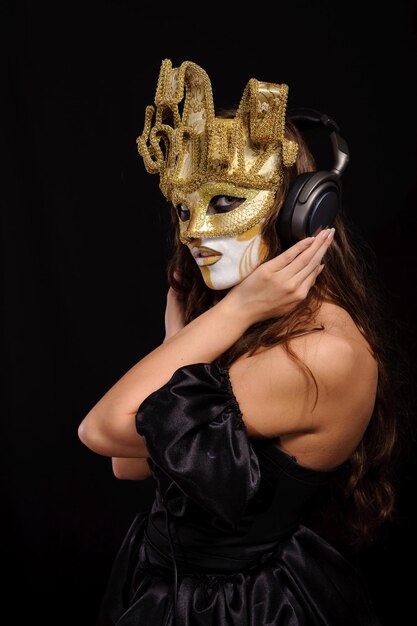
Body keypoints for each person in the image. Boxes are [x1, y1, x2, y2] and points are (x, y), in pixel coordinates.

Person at [78, 59, 402, 625]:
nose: (194, 231)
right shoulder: (262, 327)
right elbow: (128, 465)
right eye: (184, 208)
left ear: (303, 209)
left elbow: (101, 431)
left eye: (226, 202)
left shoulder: (319, 352)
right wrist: (183, 336)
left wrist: (230, 313)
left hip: (234, 608)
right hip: (169, 583)